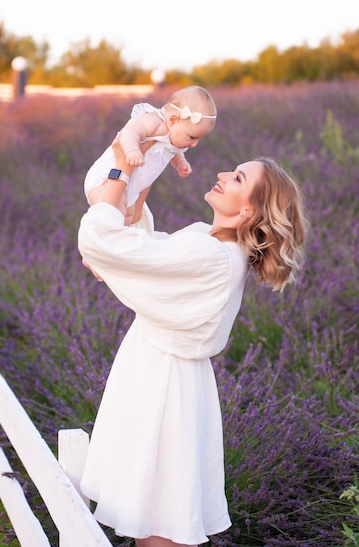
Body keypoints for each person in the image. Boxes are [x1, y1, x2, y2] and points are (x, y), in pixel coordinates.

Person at [78, 136, 307, 547]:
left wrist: (121, 165)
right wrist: (148, 164)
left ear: (248, 209)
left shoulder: (215, 256)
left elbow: (114, 244)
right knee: (151, 518)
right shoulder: (210, 239)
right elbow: (139, 245)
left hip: (164, 393)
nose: (222, 175)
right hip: (155, 377)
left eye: (237, 177)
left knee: (160, 525)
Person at [84, 86, 217, 225]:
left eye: (198, 139)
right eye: (192, 137)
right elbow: (131, 131)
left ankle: (123, 240)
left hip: (132, 184)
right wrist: (132, 150)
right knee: (113, 216)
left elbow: (172, 151)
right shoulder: (154, 121)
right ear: (172, 121)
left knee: (129, 219)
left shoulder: (175, 136)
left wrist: (180, 162)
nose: (195, 144)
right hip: (107, 177)